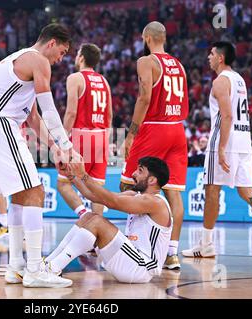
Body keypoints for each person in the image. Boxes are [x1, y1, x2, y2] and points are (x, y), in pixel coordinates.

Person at [0, 23, 75, 288]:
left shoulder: (19, 61)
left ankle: (15, 266)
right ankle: (35, 269)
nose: (60, 59)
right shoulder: (38, 60)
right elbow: (50, 110)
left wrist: (55, 148)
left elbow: (35, 119)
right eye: (61, 52)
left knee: (19, 193)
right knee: (35, 191)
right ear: (51, 43)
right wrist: (68, 145)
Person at [181, 42, 252, 260]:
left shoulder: (220, 81)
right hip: (244, 141)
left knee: (211, 190)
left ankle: (206, 245)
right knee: (247, 192)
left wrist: (221, 148)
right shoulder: (239, 79)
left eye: (211, 54)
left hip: (226, 141)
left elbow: (228, 116)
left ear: (221, 58)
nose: (208, 57)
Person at [121, 22, 189, 270]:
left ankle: (135, 244)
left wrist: (131, 132)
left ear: (146, 37)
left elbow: (145, 96)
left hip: (154, 127)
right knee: (173, 193)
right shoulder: (179, 65)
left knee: (128, 183)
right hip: (177, 129)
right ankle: (171, 253)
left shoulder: (146, 61)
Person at [45, 156, 172, 284]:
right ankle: (47, 263)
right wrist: (72, 175)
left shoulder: (155, 202)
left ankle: (53, 269)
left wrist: (83, 174)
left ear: (152, 180)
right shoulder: (138, 196)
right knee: (89, 216)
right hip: (131, 259)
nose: (133, 174)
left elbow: (112, 201)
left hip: (141, 268)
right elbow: (94, 196)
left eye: (140, 171)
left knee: (98, 222)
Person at [57, 43, 112, 217]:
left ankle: (84, 215)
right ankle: (99, 232)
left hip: (82, 135)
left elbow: (71, 112)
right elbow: (109, 115)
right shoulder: (104, 81)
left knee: (63, 183)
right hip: (102, 136)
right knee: (96, 188)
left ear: (81, 57)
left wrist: (62, 140)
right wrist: (107, 141)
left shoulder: (75, 78)